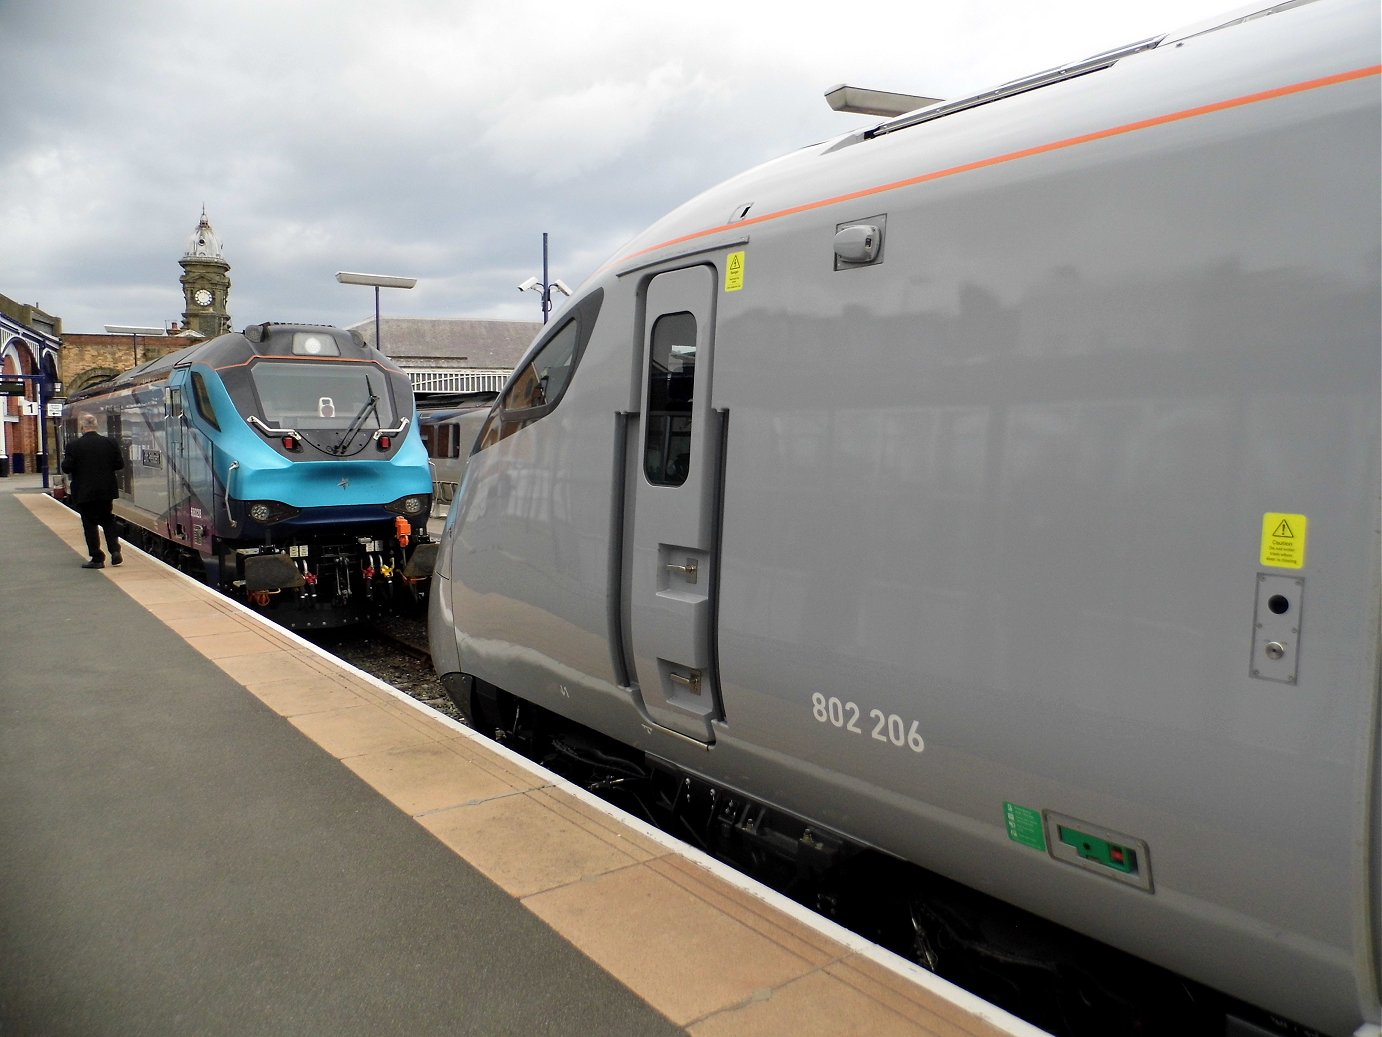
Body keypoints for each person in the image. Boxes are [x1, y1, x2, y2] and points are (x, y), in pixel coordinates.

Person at [61, 414, 125, 569]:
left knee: (89, 524)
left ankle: (97, 558)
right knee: (108, 520)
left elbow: (66, 468)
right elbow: (119, 464)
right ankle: (115, 551)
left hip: (84, 492)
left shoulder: (73, 446)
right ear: (96, 427)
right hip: (106, 491)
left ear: (82, 427)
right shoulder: (110, 443)